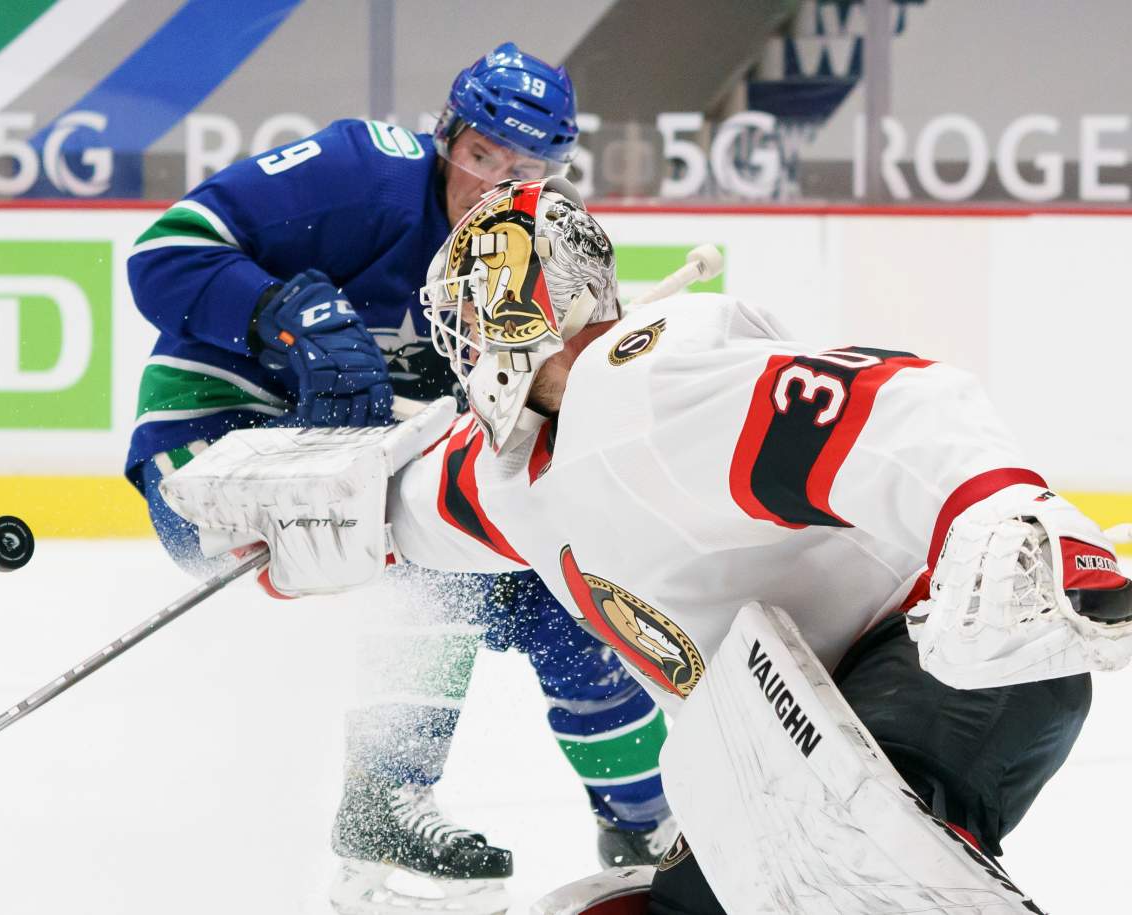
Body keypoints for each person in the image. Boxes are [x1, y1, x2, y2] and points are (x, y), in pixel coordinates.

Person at [160, 176, 1132, 913]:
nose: (455, 345)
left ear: (513, 309)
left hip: (945, 665)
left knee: (819, 845)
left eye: (464, 316)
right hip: (794, 741)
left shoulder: (650, 385)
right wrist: (286, 522)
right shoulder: (519, 476)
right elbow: (411, 502)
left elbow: (893, 404)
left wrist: (1004, 516)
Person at [123, 46, 673, 914]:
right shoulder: (361, 174)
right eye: (480, 154)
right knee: (430, 548)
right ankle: (383, 807)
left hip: (362, 476)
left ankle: (650, 822)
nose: (493, 184)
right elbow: (165, 250)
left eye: (524, 169)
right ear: (446, 134)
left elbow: (552, 416)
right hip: (214, 454)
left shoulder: (540, 254)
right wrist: (278, 315)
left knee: (565, 588)